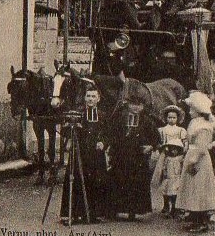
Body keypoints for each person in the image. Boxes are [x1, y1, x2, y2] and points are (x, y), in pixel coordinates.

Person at [60, 86, 113, 223]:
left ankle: (92, 214)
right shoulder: (78, 114)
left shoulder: (103, 115)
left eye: (93, 96)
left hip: (96, 154)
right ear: (84, 98)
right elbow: (66, 130)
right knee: (76, 180)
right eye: (88, 96)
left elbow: (109, 133)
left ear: (98, 99)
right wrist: (70, 138)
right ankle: (75, 213)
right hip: (80, 153)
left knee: (95, 181)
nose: (90, 99)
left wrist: (103, 143)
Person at [177, 91, 215, 232]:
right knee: (192, 188)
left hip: (199, 160)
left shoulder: (204, 126)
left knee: (200, 188)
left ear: (198, 110)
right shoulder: (194, 122)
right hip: (192, 156)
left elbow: (201, 147)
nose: (190, 112)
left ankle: (202, 220)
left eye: (192, 109)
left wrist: (192, 161)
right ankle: (193, 216)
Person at [106, 100, 158, 221]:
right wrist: (111, 148)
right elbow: (112, 134)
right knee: (118, 181)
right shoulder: (120, 118)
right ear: (128, 105)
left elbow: (155, 136)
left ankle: (133, 211)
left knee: (135, 183)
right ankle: (115, 210)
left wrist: (151, 146)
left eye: (138, 105)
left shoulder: (147, 120)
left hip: (137, 156)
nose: (135, 107)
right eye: (133, 104)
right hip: (121, 156)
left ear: (142, 106)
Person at [151, 105, 187, 217]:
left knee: (176, 181)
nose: (171, 120)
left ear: (178, 118)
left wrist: (183, 150)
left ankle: (176, 205)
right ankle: (166, 204)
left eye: (174, 118)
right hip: (166, 156)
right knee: (165, 181)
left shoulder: (180, 130)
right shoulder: (162, 130)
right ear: (166, 118)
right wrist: (163, 147)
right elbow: (159, 142)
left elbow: (185, 142)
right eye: (169, 117)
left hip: (177, 158)